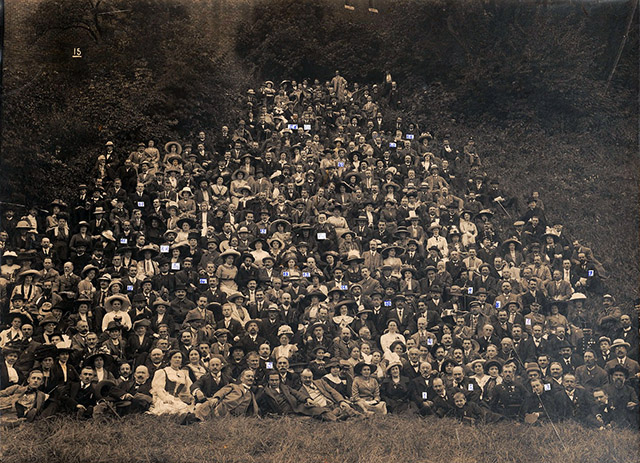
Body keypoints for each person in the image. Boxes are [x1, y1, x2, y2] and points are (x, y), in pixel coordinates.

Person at [149, 350, 194, 417]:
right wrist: (165, 399)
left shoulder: (183, 374)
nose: (177, 359)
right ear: (170, 360)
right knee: (168, 409)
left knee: (184, 409)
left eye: (179, 358)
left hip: (177, 399)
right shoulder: (163, 372)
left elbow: (189, 388)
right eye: (175, 357)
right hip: (163, 398)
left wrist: (191, 398)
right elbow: (158, 389)